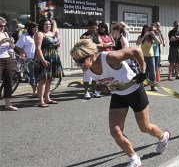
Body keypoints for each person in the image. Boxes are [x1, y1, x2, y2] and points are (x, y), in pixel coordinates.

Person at [70, 39, 171, 167]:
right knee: (115, 131)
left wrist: (143, 71)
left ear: (92, 55)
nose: (79, 64)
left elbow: (136, 50)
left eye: (80, 60)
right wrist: (105, 86)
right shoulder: (87, 69)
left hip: (134, 91)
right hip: (118, 95)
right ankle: (134, 159)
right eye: (76, 61)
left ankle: (163, 137)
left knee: (144, 127)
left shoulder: (110, 58)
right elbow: (104, 78)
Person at [34, 18, 64, 107]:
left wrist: (56, 45)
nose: (48, 26)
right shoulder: (39, 33)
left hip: (53, 57)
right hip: (44, 58)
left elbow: (52, 45)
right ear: (42, 25)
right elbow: (38, 48)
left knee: (50, 79)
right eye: (46, 24)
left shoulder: (51, 33)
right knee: (43, 80)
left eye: (49, 24)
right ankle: (41, 101)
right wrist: (42, 60)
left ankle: (47, 98)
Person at [15, 21, 38, 97]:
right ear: (30, 28)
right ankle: (35, 91)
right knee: (31, 75)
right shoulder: (25, 36)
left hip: (37, 58)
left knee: (37, 74)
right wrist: (22, 52)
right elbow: (18, 46)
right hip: (28, 59)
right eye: (34, 27)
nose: (36, 29)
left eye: (37, 27)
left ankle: (38, 89)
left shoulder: (37, 35)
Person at [136, 25, 161, 91]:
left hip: (151, 56)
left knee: (152, 72)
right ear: (143, 30)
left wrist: (153, 35)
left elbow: (159, 42)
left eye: (148, 30)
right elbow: (137, 43)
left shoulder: (151, 37)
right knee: (142, 71)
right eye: (145, 30)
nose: (147, 31)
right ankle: (141, 85)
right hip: (143, 57)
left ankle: (153, 86)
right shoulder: (140, 36)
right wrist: (144, 36)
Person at [0, 17, 18, 111]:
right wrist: (1, 42)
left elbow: (12, 48)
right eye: (0, 25)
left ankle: (8, 104)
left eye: (3, 25)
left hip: (7, 59)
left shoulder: (5, 33)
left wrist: (11, 43)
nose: (2, 27)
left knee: (8, 82)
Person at [80, 20, 101, 99]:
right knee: (87, 77)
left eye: (95, 28)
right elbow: (83, 48)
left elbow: (99, 44)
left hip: (95, 57)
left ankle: (94, 91)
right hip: (87, 58)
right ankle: (86, 92)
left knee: (95, 76)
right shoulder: (84, 36)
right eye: (92, 28)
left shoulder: (96, 35)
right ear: (88, 27)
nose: (94, 29)